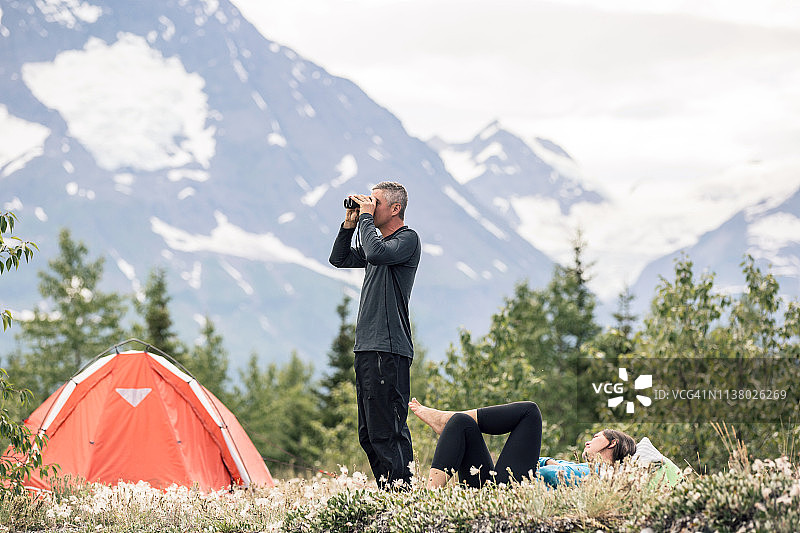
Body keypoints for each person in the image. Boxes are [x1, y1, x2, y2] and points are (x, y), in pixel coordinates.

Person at [329, 181, 421, 488]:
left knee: (389, 431)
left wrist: (366, 219)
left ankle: (404, 497)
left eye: (376, 202)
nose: (370, 206)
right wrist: (350, 223)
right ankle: (389, 493)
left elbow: (377, 253)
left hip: (390, 348)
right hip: (367, 347)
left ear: (395, 209)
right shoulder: (375, 245)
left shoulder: (406, 240)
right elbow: (339, 258)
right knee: (369, 434)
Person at [409, 398, 636, 489]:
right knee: (462, 423)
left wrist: (545, 466)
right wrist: (546, 462)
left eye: (596, 437)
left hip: (513, 491)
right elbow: (550, 466)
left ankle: (445, 418)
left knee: (530, 412)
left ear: (612, 443)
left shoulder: (609, 478)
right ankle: (430, 495)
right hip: (499, 486)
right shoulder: (583, 468)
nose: (588, 441)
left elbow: (553, 476)